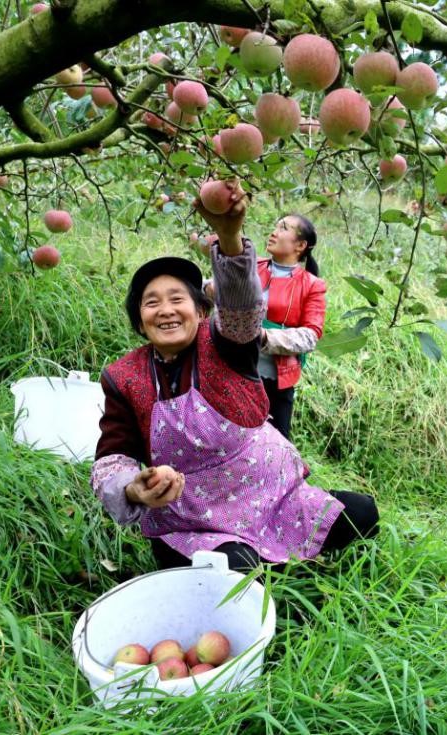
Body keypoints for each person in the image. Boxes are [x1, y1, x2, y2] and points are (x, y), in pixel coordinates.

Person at [89, 182, 377, 572]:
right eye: (151, 303)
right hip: (194, 520)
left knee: (361, 512)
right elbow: (112, 456)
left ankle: (276, 550)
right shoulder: (124, 377)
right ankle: (260, 560)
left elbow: (242, 309)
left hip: (271, 497)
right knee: (235, 566)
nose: (166, 310)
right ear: (140, 321)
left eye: (178, 299)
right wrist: (132, 487)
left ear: (201, 311)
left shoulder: (225, 343)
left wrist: (228, 237)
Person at [256, 213, 326, 441]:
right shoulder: (252, 267)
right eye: (275, 226)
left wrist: (264, 337)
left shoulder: (312, 285)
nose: (274, 232)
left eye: (283, 228)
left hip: (276, 381)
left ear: (300, 245)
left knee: (276, 445)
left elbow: (311, 335)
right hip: (237, 370)